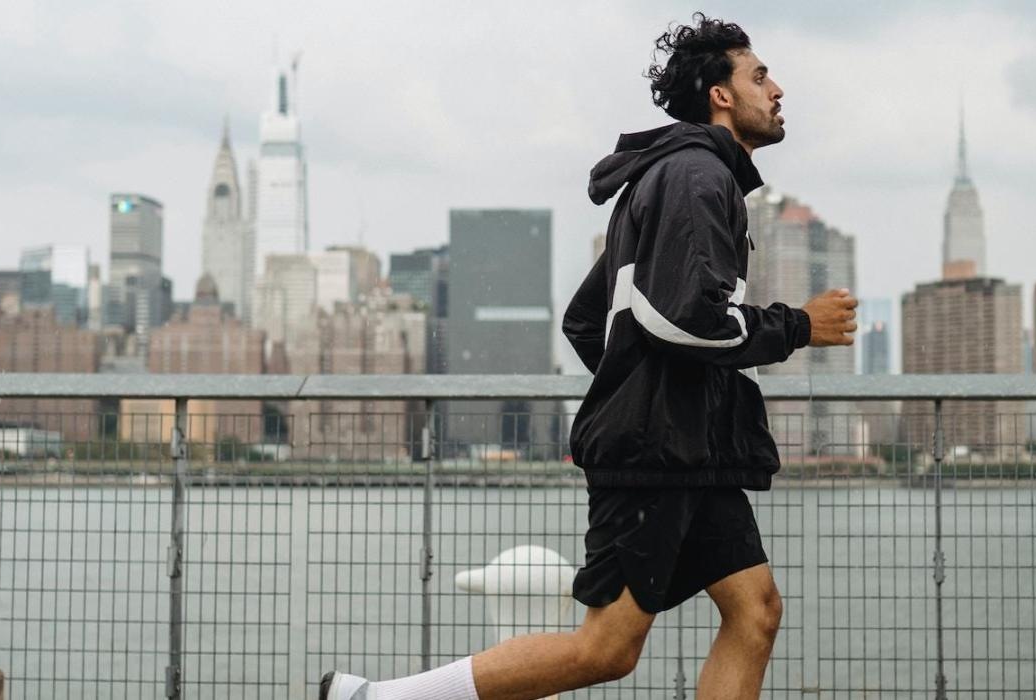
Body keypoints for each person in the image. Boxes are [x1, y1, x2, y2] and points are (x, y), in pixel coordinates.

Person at [320, 13, 856, 700]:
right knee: (605, 648)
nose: (777, 89)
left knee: (755, 613)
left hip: (691, 448)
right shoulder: (697, 177)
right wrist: (798, 326)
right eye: (759, 75)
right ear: (720, 93)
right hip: (658, 452)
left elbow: (587, 319)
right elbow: (680, 317)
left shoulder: (675, 179)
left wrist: (640, 384)